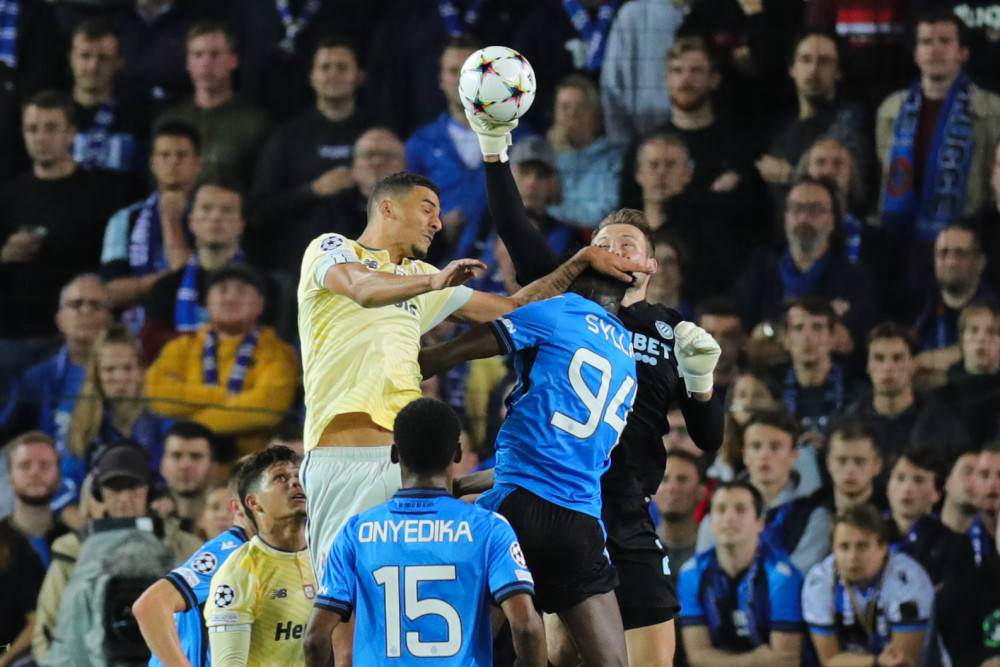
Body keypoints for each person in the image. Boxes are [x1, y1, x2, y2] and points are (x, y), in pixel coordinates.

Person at [470, 114, 725, 666]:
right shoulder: (565, 304)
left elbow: (707, 439)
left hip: (628, 513)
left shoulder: (672, 330)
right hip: (559, 502)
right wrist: (495, 151)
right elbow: (517, 228)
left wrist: (703, 382)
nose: (612, 249)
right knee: (559, 654)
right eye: (602, 242)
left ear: (649, 265)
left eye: (627, 244)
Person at [418, 266, 639, 667]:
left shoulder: (561, 310)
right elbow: (559, 461)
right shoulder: (627, 354)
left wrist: (426, 360)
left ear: (578, 286)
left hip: (515, 514)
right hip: (579, 524)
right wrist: (466, 483)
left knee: (458, 656)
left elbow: (485, 336)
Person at [304, 397, 546, 666]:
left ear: (395, 454)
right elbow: (526, 628)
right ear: (457, 453)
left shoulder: (356, 533)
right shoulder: (489, 529)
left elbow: (315, 638)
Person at [32, 440, 201, 661]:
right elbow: (46, 631)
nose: (124, 498)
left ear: (150, 490)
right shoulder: (71, 550)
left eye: (133, 487)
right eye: (114, 488)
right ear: (98, 493)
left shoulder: (185, 547)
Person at [0, 91, 132, 346]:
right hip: (13, 333)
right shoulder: (8, 196)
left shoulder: (102, 195)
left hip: (79, 336)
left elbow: (114, 269)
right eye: (32, 129)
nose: (40, 138)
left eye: (50, 128)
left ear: (71, 133)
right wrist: (5, 253)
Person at [877, 7, 1000, 257]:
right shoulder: (890, 109)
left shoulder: (993, 109)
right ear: (916, 54)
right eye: (926, 42)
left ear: (963, 53)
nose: (934, 50)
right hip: (899, 240)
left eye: (945, 41)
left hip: (966, 241)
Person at [147, 264, 298, 458]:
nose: (230, 298)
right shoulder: (181, 347)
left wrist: (193, 426)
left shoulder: (278, 352)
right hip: (187, 461)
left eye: (242, 291)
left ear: (260, 304)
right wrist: (221, 396)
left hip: (252, 467)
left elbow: (267, 407)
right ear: (207, 302)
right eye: (222, 290)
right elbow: (158, 392)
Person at [250, 35, 370, 260]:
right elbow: (261, 212)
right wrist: (314, 190)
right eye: (325, 67)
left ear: (359, 76)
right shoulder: (287, 137)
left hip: (366, 260)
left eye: (342, 67)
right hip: (300, 260)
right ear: (312, 77)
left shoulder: (378, 134)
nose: (333, 74)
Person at [133, 458, 254, 667]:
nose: (224, 515)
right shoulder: (227, 551)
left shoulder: (276, 556)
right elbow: (149, 605)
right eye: (216, 508)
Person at [732, 179, 876, 348]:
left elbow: (849, 340)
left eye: (815, 210)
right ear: (785, 218)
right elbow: (742, 333)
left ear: (833, 220)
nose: (804, 218)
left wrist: (771, 333)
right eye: (796, 209)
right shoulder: (760, 268)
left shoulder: (856, 278)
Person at [203, 446, 313, 666]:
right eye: (280, 477)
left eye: (298, 475)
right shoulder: (240, 572)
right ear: (254, 502)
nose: (295, 482)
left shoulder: (328, 557)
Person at [678, 480, 805, 666]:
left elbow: (786, 661)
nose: (729, 517)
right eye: (721, 510)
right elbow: (696, 657)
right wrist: (755, 660)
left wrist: (717, 659)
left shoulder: (782, 577)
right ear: (710, 523)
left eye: (740, 509)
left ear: (760, 523)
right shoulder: (691, 574)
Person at [139, 178, 264, 363]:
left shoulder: (263, 286)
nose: (215, 217)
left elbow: (266, 347)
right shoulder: (165, 288)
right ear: (191, 221)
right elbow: (152, 347)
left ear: (240, 224)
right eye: (206, 209)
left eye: (226, 210)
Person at [697, 410, 830, 574]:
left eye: (775, 447)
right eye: (756, 446)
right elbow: (702, 569)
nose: (764, 455)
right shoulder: (720, 507)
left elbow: (798, 576)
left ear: (793, 455)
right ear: (744, 454)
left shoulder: (814, 515)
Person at [802, 503, 935, 667]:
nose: (852, 557)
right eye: (844, 547)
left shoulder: (908, 579)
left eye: (862, 546)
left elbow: (904, 662)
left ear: (883, 547)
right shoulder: (819, 582)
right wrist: (876, 662)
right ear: (833, 549)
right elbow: (829, 661)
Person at [100, 121, 203, 317]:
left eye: (181, 155)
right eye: (165, 155)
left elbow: (202, 281)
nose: (173, 162)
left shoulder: (214, 213)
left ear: (198, 164)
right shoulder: (124, 219)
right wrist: (170, 281)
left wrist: (171, 221)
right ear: (152, 164)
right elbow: (110, 292)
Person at [756, 31, 872, 203]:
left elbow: (852, 189)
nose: (813, 70)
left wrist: (788, 175)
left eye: (825, 62)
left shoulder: (850, 120)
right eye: (805, 59)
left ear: (838, 72)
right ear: (792, 69)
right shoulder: (781, 125)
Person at [153, 21, 270, 186]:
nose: (206, 63)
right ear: (188, 63)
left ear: (233, 61)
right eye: (198, 54)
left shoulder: (256, 123)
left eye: (215, 54)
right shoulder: (169, 120)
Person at [63, 323, 173, 498]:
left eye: (127, 368)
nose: (120, 378)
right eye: (110, 370)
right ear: (97, 375)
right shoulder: (82, 426)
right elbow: (68, 485)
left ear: (141, 371)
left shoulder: (163, 424)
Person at [845, 321, 968, 471]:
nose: (888, 367)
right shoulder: (850, 422)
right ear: (868, 367)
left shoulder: (942, 422)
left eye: (897, 358)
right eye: (879, 358)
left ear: (913, 364)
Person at [14, 275, 111, 456]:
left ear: (109, 319)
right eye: (76, 304)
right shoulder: (35, 379)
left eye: (95, 305)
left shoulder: (127, 375)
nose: (86, 311)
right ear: (59, 320)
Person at [912, 223, 992, 382]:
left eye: (960, 254)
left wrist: (928, 360)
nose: (950, 262)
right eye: (943, 253)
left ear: (980, 262)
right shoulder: (920, 301)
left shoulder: (994, 308)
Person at [885, 445, 974, 585]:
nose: (907, 488)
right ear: (888, 487)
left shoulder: (954, 545)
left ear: (937, 493)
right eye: (900, 478)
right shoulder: (867, 534)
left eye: (919, 480)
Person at [599, 0, 686, 145]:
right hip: (642, 140)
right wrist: (623, 148)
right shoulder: (633, 15)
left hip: (703, 137)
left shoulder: (715, 12)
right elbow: (612, 87)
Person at [545, 74, 624, 229]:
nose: (572, 115)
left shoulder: (613, 159)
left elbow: (603, 214)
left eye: (581, 107)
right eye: (565, 107)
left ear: (595, 115)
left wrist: (550, 211)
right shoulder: (545, 154)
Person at [68, 18, 145, 173]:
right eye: (85, 56)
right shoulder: (51, 117)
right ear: (71, 59)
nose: (93, 67)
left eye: (103, 58)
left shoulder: (137, 119)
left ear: (118, 62)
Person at [940, 299, 1000, 446]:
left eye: (992, 332)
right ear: (962, 340)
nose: (982, 339)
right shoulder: (943, 394)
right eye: (973, 330)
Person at [653, 449, 707, 581]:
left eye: (682, 479)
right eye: (664, 479)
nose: (672, 487)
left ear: (702, 492)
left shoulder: (714, 552)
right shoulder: (638, 550)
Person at [156, 421, 216, 528]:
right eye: (176, 456)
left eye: (196, 456)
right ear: (162, 465)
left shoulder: (235, 520)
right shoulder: (145, 515)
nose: (185, 465)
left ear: (212, 466)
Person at [941, 449, 980, 534]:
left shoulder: (993, 540)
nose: (975, 480)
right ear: (948, 481)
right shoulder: (920, 529)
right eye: (968, 472)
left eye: (982, 476)